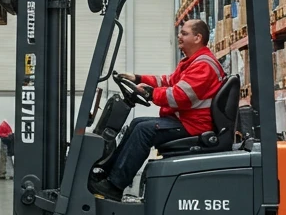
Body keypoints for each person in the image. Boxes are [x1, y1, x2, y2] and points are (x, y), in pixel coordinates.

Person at [89, 19, 224, 201]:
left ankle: (114, 186)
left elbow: (179, 96)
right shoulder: (192, 62)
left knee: (144, 130)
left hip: (194, 125)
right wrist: (138, 78)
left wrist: (151, 94)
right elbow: (168, 81)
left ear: (198, 37)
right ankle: (106, 174)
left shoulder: (204, 65)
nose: (179, 36)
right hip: (186, 120)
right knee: (137, 123)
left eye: (184, 33)